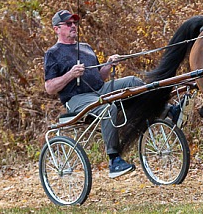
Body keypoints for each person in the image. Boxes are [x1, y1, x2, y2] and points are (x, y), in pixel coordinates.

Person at [44, 9, 144, 178]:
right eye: (68, 24)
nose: (73, 26)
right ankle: (114, 160)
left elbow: (99, 76)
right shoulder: (52, 53)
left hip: (98, 90)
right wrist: (70, 74)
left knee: (134, 82)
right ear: (56, 29)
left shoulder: (86, 48)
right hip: (75, 98)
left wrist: (109, 64)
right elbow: (50, 87)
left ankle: (167, 111)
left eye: (75, 23)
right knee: (107, 108)